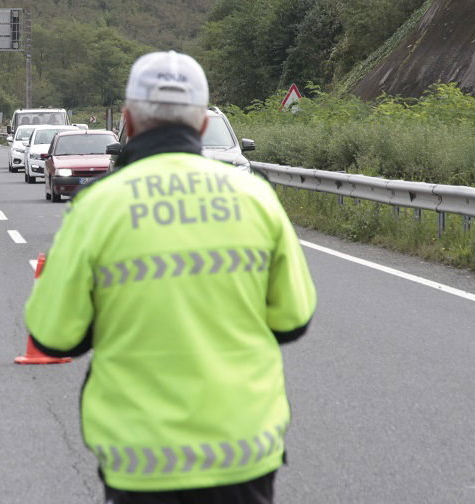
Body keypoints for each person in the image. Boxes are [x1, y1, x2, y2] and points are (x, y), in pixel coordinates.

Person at [24, 50, 316, 504]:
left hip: (139, 463)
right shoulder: (255, 198)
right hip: (244, 454)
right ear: (202, 123)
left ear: (128, 121)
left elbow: (52, 335)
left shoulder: (97, 207)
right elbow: (293, 320)